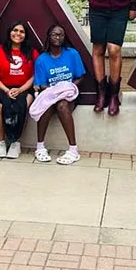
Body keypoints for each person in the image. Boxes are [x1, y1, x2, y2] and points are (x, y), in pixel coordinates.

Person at [32, 24, 85, 165]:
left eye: (61, 34)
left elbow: (80, 76)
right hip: (50, 93)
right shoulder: (42, 59)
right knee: (45, 106)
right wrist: (55, 92)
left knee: (62, 106)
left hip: (68, 94)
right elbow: (41, 84)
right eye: (54, 34)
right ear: (49, 37)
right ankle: (40, 147)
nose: (57, 37)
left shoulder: (72, 54)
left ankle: (73, 150)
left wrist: (68, 88)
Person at [0, 21, 38, 159]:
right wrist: (6, 90)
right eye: (15, 30)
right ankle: (1, 142)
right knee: (1, 107)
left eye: (21, 31)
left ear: (25, 35)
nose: (18, 34)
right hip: (2, 87)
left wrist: (20, 90)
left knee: (23, 106)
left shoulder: (31, 52)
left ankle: (15, 142)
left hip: (24, 88)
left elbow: (35, 75)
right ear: (9, 32)